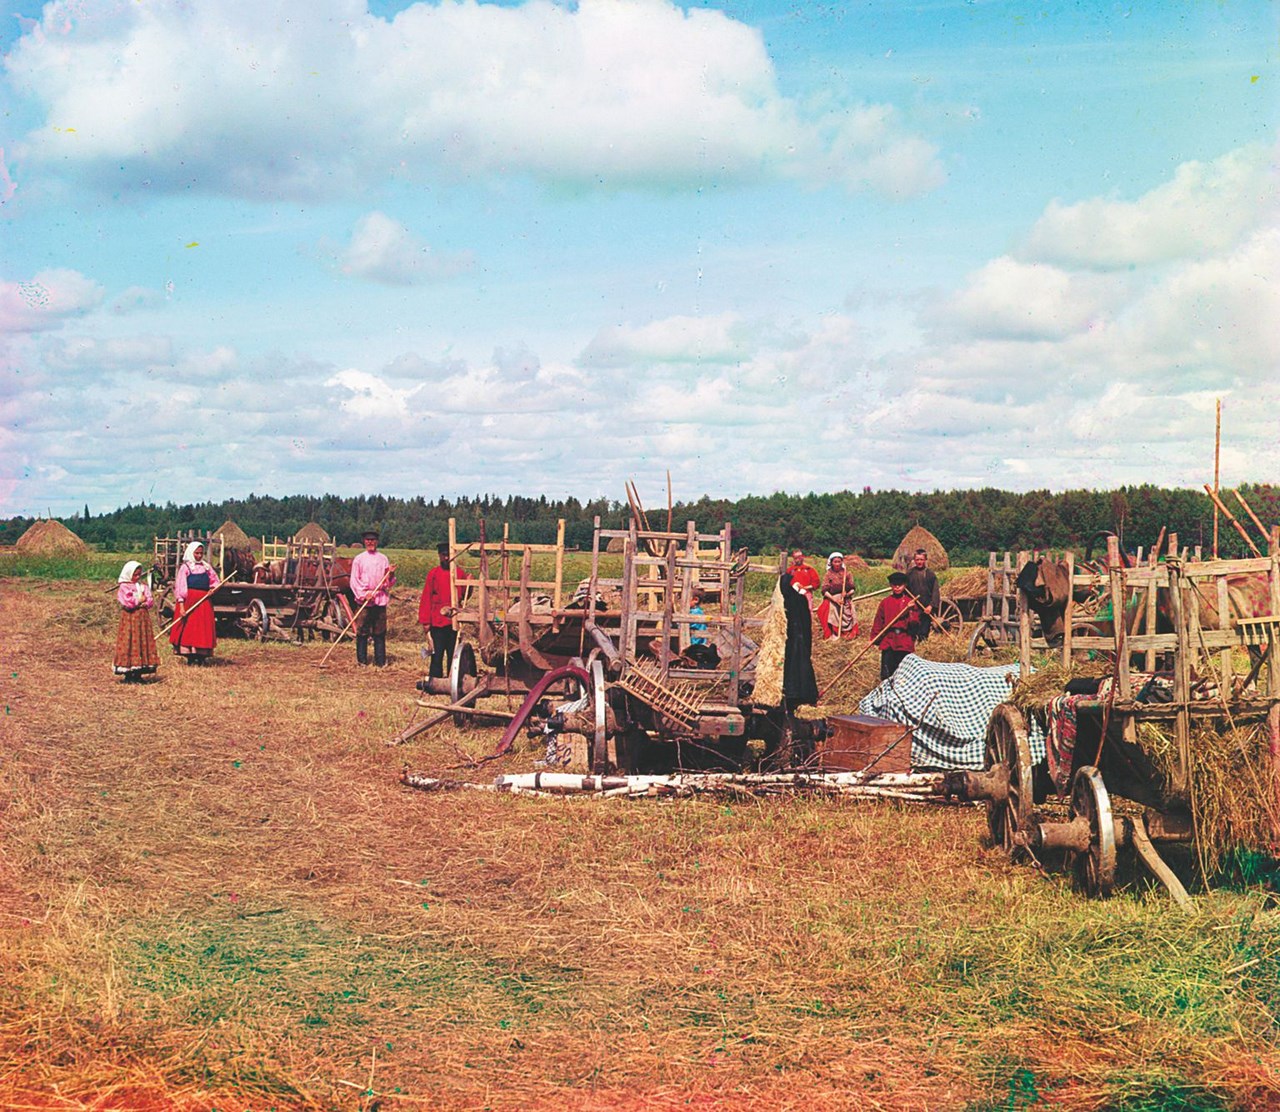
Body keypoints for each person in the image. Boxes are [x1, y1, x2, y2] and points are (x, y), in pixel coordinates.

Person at [419, 542, 469, 679]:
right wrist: (425, 621)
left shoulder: (460, 573)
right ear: (439, 556)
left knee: (453, 654)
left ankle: (452, 680)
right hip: (437, 621)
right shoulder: (433, 574)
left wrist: (470, 584)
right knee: (437, 653)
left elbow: (465, 595)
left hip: (454, 621)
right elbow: (426, 598)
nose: (446, 558)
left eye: (449, 555)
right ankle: (435, 681)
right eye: (444, 555)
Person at [350, 529, 396, 666]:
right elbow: (354, 581)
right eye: (368, 540)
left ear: (377, 542)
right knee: (362, 631)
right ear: (364, 542)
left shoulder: (383, 559)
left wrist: (391, 574)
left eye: (373, 540)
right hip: (365, 599)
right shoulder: (359, 559)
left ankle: (380, 661)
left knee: (379, 631)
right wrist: (364, 595)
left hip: (379, 598)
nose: (370, 542)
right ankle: (362, 661)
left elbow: (389, 582)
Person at [169, 541, 220, 664]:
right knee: (189, 628)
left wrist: (212, 590)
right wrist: (181, 606)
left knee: (203, 628)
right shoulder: (185, 568)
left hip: (203, 602)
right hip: (189, 602)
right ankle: (190, 657)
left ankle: (201, 656)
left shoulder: (206, 567)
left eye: (201, 553)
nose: (199, 555)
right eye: (196, 553)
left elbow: (216, 582)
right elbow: (181, 587)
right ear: (191, 553)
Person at [779, 563, 818, 709]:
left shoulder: (791, 600)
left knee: (795, 666)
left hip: (794, 640)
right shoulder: (792, 600)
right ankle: (797, 694)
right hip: (796, 639)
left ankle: (796, 694)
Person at [113, 560, 159, 683]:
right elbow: (127, 602)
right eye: (135, 575)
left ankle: (139, 672)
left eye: (139, 574)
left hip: (142, 619)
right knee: (129, 641)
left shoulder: (142, 586)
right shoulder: (124, 587)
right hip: (129, 618)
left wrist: (145, 601)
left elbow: (149, 599)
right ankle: (128, 673)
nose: (137, 577)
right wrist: (139, 600)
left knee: (141, 641)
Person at [870, 572, 920, 680]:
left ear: (905, 585)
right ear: (891, 586)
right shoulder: (885, 602)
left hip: (904, 640)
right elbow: (879, 620)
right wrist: (875, 638)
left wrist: (910, 610)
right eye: (894, 584)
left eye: (900, 585)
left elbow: (915, 623)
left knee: (903, 673)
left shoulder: (909, 602)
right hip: (889, 639)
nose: (897, 587)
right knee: (887, 673)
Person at [817, 552, 859, 640]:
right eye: (835, 562)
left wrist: (847, 594)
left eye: (839, 562)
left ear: (841, 562)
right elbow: (825, 591)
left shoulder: (847, 574)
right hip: (833, 598)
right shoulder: (828, 574)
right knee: (832, 611)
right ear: (831, 563)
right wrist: (834, 600)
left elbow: (852, 589)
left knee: (851, 613)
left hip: (845, 598)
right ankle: (835, 632)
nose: (837, 564)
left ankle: (848, 633)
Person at [905, 547, 941, 642]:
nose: (919, 562)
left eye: (921, 559)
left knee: (924, 630)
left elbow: (935, 591)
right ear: (914, 560)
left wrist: (931, 606)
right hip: (913, 607)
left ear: (925, 560)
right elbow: (905, 590)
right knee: (912, 627)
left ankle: (923, 645)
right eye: (917, 559)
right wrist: (908, 603)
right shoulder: (909, 574)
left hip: (926, 607)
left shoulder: (930, 574)